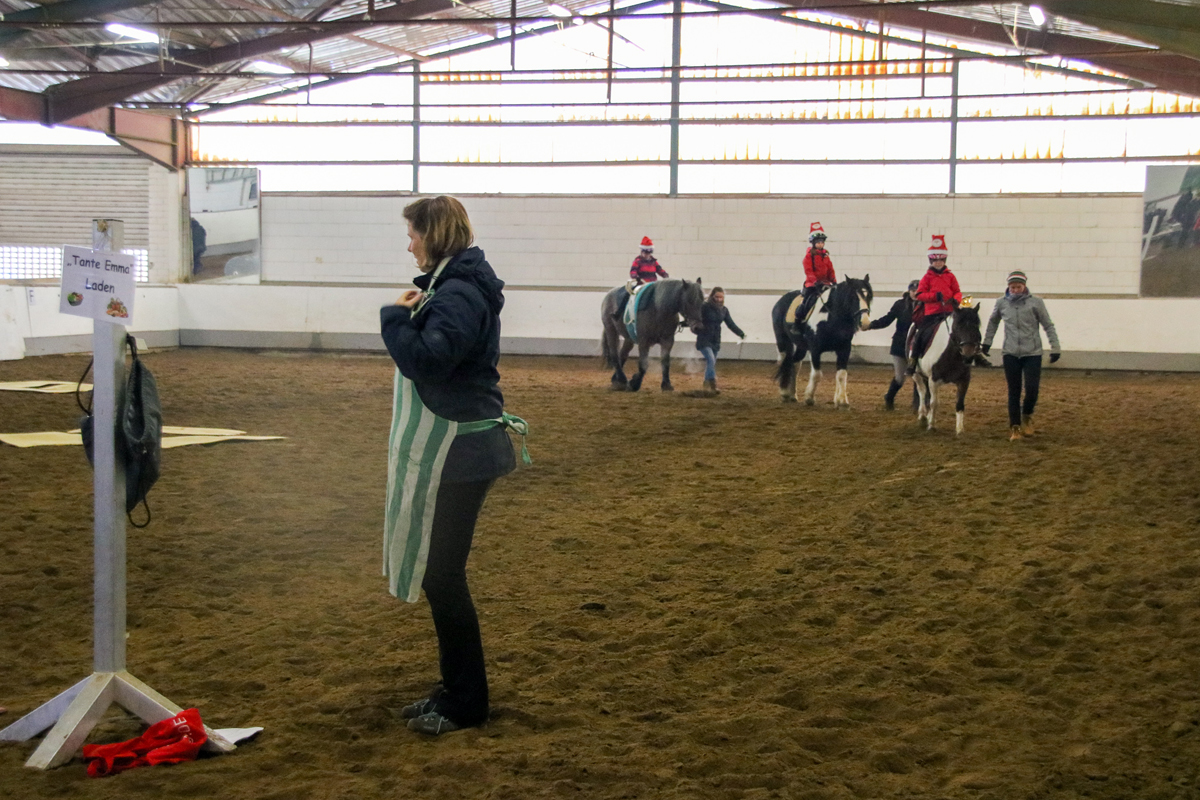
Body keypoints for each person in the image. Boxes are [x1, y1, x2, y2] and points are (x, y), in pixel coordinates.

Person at [380, 195, 522, 736]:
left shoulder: (458, 292)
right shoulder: (453, 287)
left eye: (413, 233)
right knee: (442, 575)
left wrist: (395, 318)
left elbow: (427, 361)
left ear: (433, 234)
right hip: (461, 449)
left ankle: (467, 701)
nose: (409, 243)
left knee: (443, 575)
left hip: (460, 451)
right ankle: (456, 688)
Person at [982, 270, 1061, 441]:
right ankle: (1015, 427)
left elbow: (1048, 325)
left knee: (1032, 389)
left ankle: (1027, 415)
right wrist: (987, 341)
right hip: (1010, 353)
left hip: (1032, 352)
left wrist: (1055, 347)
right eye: (1012, 287)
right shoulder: (1001, 303)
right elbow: (993, 322)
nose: (1015, 290)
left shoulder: (1036, 303)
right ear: (1008, 287)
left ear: (1024, 286)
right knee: (1014, 391)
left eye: (1018, 287)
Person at [906, 234, 962, 374]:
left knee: (964, 330)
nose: (938, 263)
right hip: (932, 314)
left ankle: (973, 356)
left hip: (949, 312)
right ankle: (913, 362)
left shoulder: (950, 276)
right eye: (935, 260)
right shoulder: (927, 277)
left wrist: (956, 299)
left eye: (941, 260)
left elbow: (957, 291)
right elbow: (920, 294)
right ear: (931, 261)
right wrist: (934, 297)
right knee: (920, 335)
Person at [868, 279, 921, 410]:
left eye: (917, 291)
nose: (915, 293)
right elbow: (887, 319)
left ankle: (917, 404)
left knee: (918, 377)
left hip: (918, 346)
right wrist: (871, 325)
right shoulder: (900, 305)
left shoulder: (925, 306)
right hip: (900, 345)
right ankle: (889, 397)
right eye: (913, 291)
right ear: (909, 291)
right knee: (899, 378)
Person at [694, 287, 745, 395]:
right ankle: (710, 384)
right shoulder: (704, 307)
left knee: (711, 362)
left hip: (716, 339)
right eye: (716, 297)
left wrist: (741, 333)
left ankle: (708, 385)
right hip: (704, 337)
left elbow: (730, 324)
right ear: (712, 296)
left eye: (721, 297)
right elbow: (695, 318)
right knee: (711, 360)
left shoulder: (724, 310)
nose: (718, 299)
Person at [796, 222, 836, 328]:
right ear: (813, 243)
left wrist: (834, 280)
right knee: (808, 301)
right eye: (818, 242)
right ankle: (798, 321)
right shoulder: (809, 257)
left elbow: (830, 270)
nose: (820, 244)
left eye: (822, 242)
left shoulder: (826, 256)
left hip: (826, 284)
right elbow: (808, 271)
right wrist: (815, 281)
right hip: (812, 284)